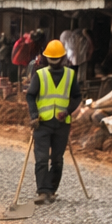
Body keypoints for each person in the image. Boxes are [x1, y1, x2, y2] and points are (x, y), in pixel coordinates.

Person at [25, 39, 82, 205]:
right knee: (41, 158)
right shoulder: (40, 75)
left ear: (63, 59)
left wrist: (68, 111)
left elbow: (77, 97)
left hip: (62, 124)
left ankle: (52, 189)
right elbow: (30, 96)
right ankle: (42, 192)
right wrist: (34, 115)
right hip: (42, 123)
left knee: (57, 159)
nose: (54, 62)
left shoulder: (70, 75)